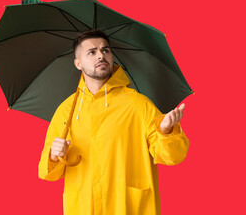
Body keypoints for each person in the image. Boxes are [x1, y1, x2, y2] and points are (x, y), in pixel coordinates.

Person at [38, 29, 190, 215]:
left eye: (106, 50)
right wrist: (54, 156)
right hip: (83, 207)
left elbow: (172, 157)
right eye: (92, 52)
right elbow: (46, 173)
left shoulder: (138, 104)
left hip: (128, 207)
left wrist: (166, 131)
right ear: (78, 63)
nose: (101, 55)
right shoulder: (67, 110)